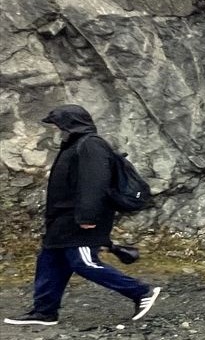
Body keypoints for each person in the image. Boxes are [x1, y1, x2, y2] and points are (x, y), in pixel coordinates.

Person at [6, 105, 161, 326]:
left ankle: (141, 292)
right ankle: (44, 311)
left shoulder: (91, 145)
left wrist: (88, 217)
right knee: (50, 259)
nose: (56, 129)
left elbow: (95, 183)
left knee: (83, 262)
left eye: (58, 124)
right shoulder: (75, 145)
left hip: (81, 219)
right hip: (63, 219)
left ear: (70, 124)